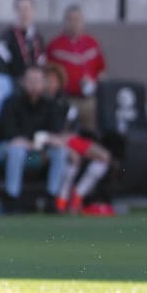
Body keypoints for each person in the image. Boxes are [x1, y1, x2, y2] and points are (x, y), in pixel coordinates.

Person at [0, 66, 70, 212]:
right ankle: (12, 197)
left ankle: (51, 197)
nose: (34, 85)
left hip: (38, 153)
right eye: (31, 81)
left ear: (44, 83)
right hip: (8, 151)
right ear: (23, 82)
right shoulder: (11, 102)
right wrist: (33, 142)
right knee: (17, 150)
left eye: (38, 81)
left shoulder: (50, 105)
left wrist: (46, 141)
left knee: (60, 152)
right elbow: (10, 135)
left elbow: (55, 134)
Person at [43, 63, 113, 215]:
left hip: (69, 139)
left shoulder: (65, 102)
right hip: (53, 143)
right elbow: (43, 132)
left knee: (104, 157)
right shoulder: (41, 103)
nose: (50, 84)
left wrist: (68, 138)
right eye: (47, 80)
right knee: (72, 158)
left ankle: (79, 194)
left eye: (53, 80)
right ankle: (62, 199)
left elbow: (73, 128)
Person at [45, 5, 106, 133]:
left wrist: (93, 84)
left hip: (88, 100)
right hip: (65, 99)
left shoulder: (92, 43)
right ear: (64, 21)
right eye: (70, 19)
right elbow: (48, 73)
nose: (74, 23)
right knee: (67, 131)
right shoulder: (55, 45)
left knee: (90, 133)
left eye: (77, 19)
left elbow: (101, 70)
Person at [0, 0, 46, 78]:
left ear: (33, 11)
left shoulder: (38, 38)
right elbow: (1, 67)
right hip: (15, 86)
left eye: (27, 9)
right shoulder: (5, 38)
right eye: (20, 9)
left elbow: (42, 63)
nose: (24, 13)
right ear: (15, 11)